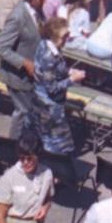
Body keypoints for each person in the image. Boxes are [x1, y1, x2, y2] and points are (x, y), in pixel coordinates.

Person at [0, 0, 48, 139]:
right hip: (17, 76)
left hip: (32, 75)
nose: (44, 1)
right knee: (23, 111)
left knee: (31, 110)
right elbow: (2, 48)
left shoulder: (37, 12)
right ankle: (14, 147)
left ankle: (28, 142)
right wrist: (24, 63)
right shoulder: (17, 17)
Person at [31, 15, 84, 154]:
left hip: (40, 102)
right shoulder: (49, 56)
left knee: (46, 139)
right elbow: (52, 88)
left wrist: (69, 71)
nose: (67, 38)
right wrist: (72, 79)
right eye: (64, 36)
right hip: (50, 107)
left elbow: (56, 69)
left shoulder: (44, 44)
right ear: (54, 37)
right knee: (57, 146)